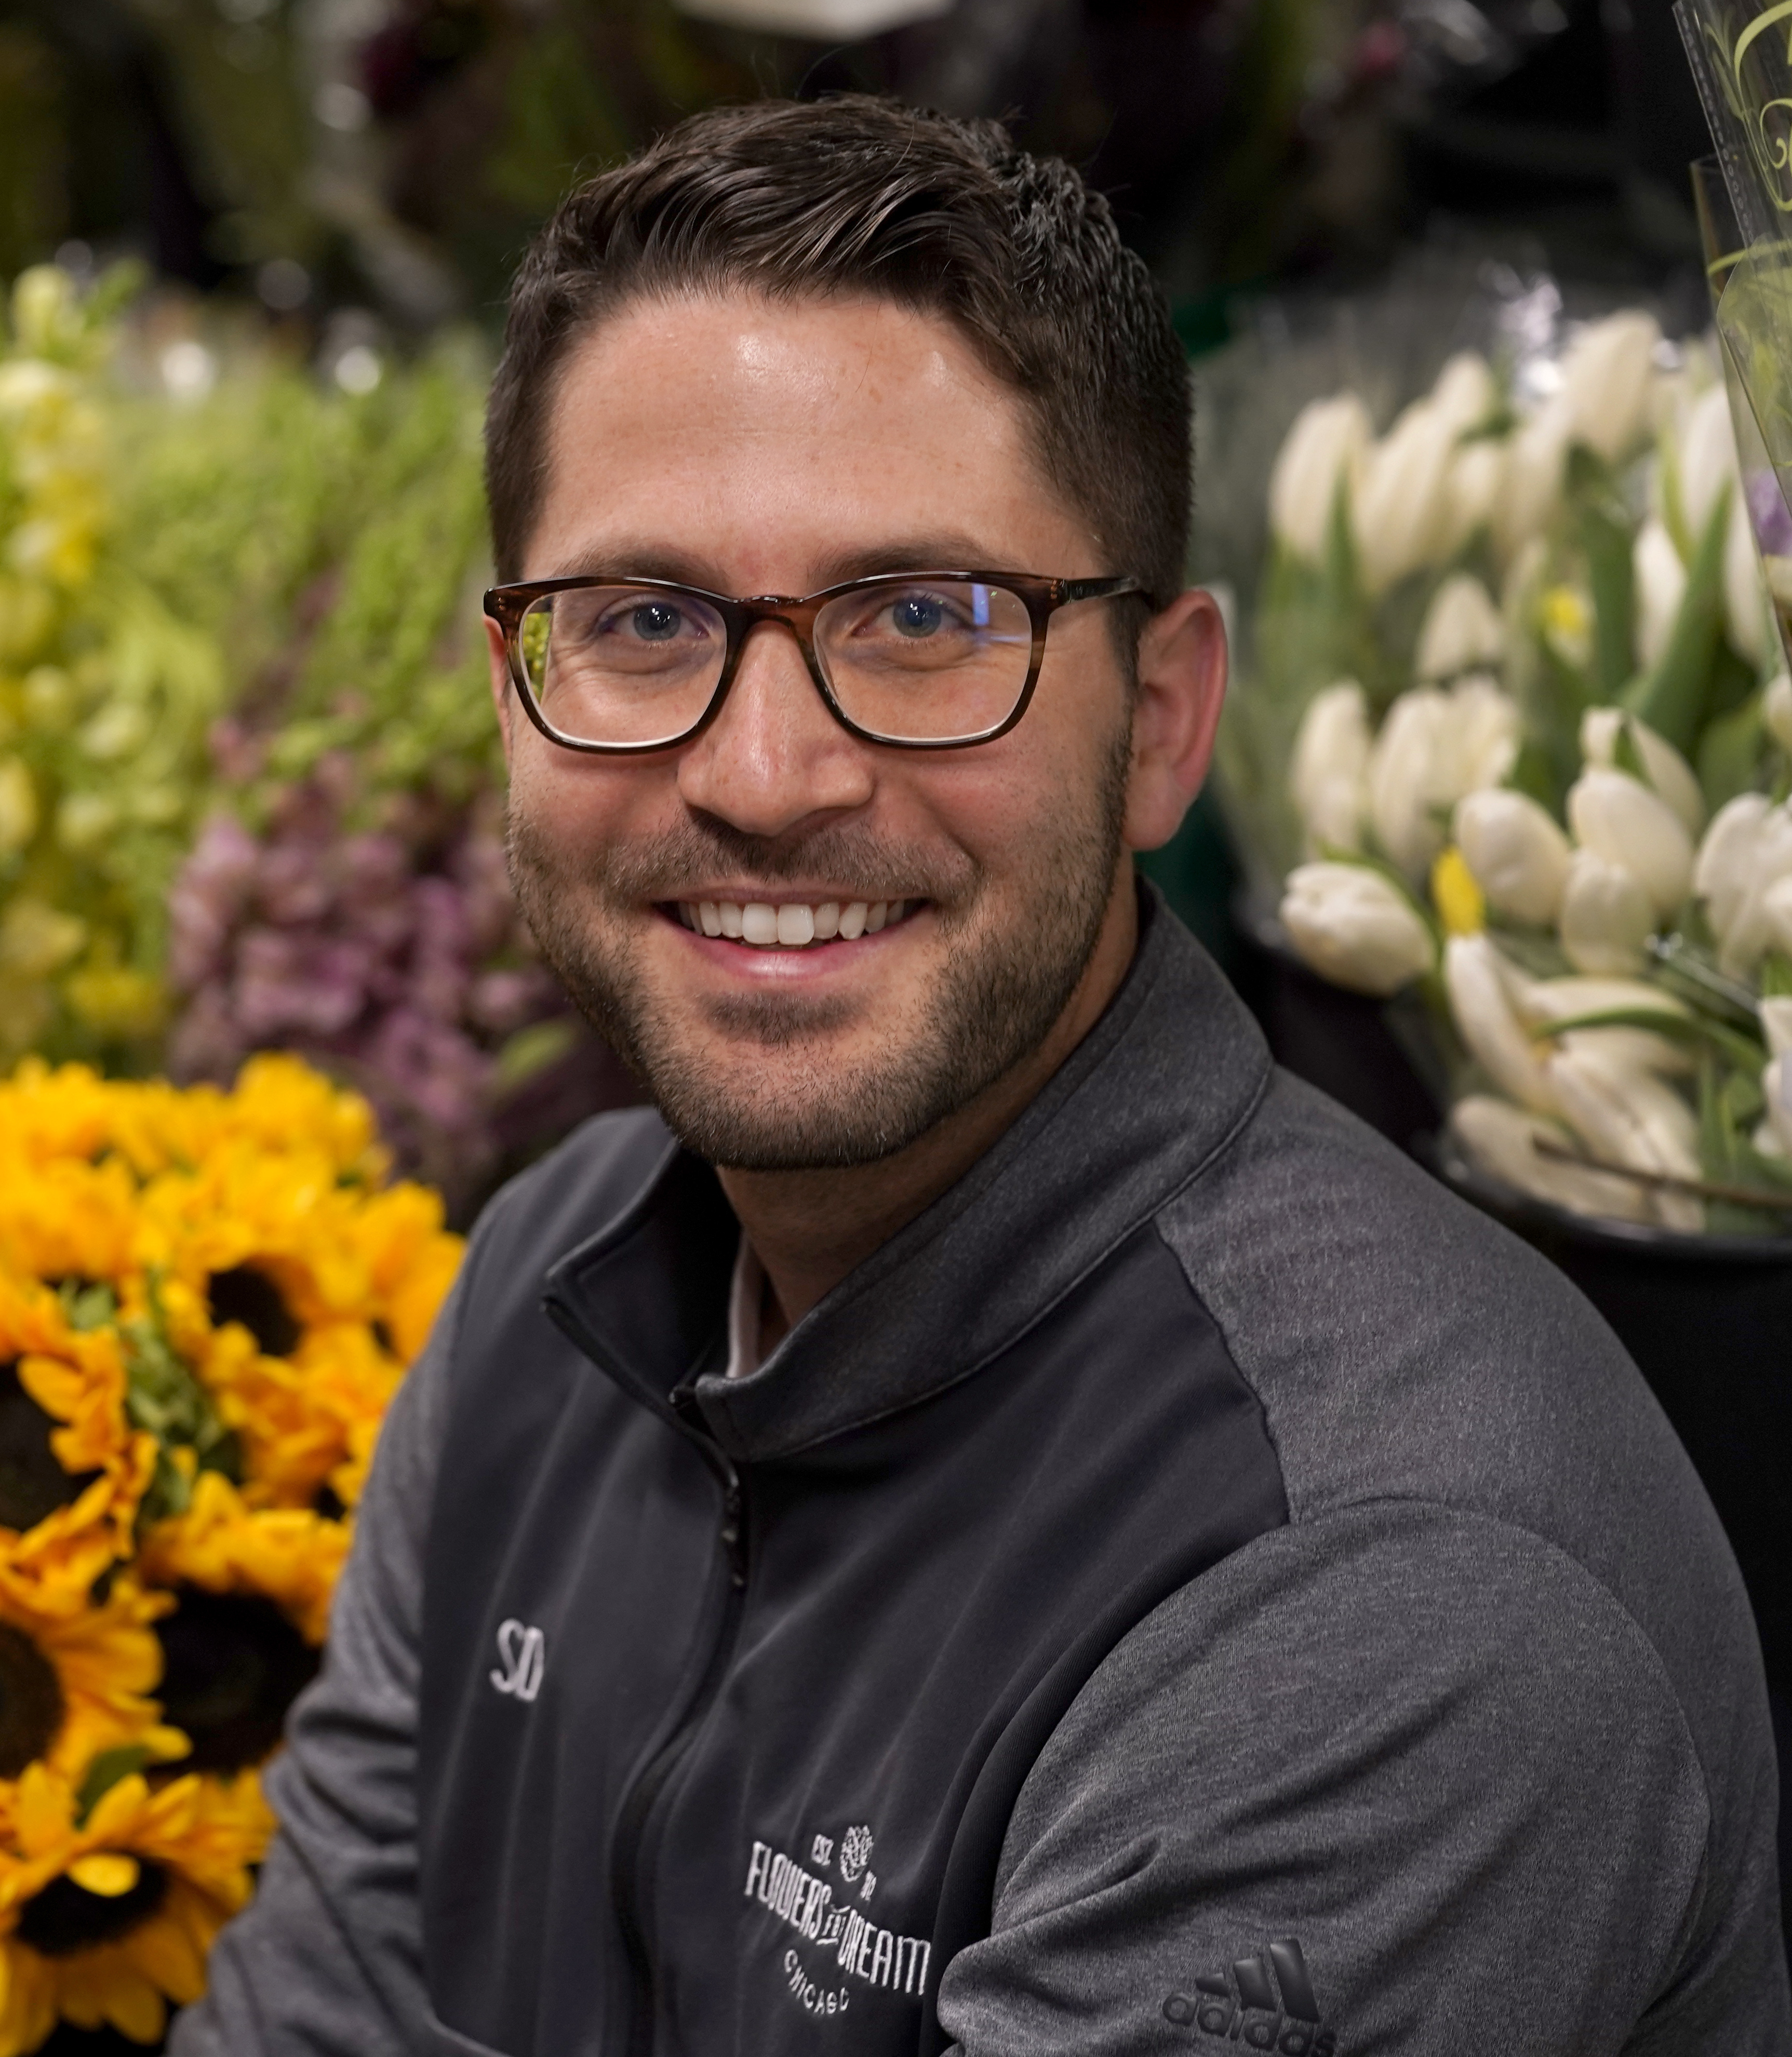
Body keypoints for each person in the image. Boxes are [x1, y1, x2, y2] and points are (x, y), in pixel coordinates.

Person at [168, 96, 1788, 2056]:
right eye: (646, 620)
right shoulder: (544, 1284)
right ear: (512, 693)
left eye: (930, 619)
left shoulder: (1385, 1591)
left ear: (1164, 724)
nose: (764, 775)